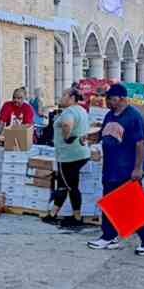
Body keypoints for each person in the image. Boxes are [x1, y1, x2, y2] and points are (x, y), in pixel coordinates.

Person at [88, 83, 144, 256]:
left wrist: (137, 168)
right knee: (109, 203)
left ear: (121, 99)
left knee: (132, 206)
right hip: (110, 168)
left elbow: (140, 143)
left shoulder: (134, 117)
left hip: (127, 169)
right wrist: (90, 138)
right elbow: (103, 134)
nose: (107, 102)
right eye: (107, 99)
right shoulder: (109, 115)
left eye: (110, 99)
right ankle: (109, 236)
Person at [44, 88, 91, 227]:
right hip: (81, 153)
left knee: (64, 185)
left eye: (64, 95)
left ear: (71, 98)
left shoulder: (69, 112)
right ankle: (76, 216)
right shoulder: (82, 110)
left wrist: (66, 137)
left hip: (68, 155)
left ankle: (53, 214)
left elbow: (66, 124)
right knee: (72, 185)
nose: (61, 97)